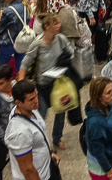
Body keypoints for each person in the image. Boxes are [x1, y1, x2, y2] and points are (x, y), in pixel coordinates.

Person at [17, 13, 73, 150]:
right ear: (47, 27)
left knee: (60, 112)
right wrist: (20, 85)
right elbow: (25, 64)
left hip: (57, 83)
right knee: (40, 113)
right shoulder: (37, 44)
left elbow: (71, 52)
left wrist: (64, 62)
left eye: (59, 23)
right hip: (41, 85)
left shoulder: (61, 39)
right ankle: (39, 140)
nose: (59, 26)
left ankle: (57, 138)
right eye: (55, 23)